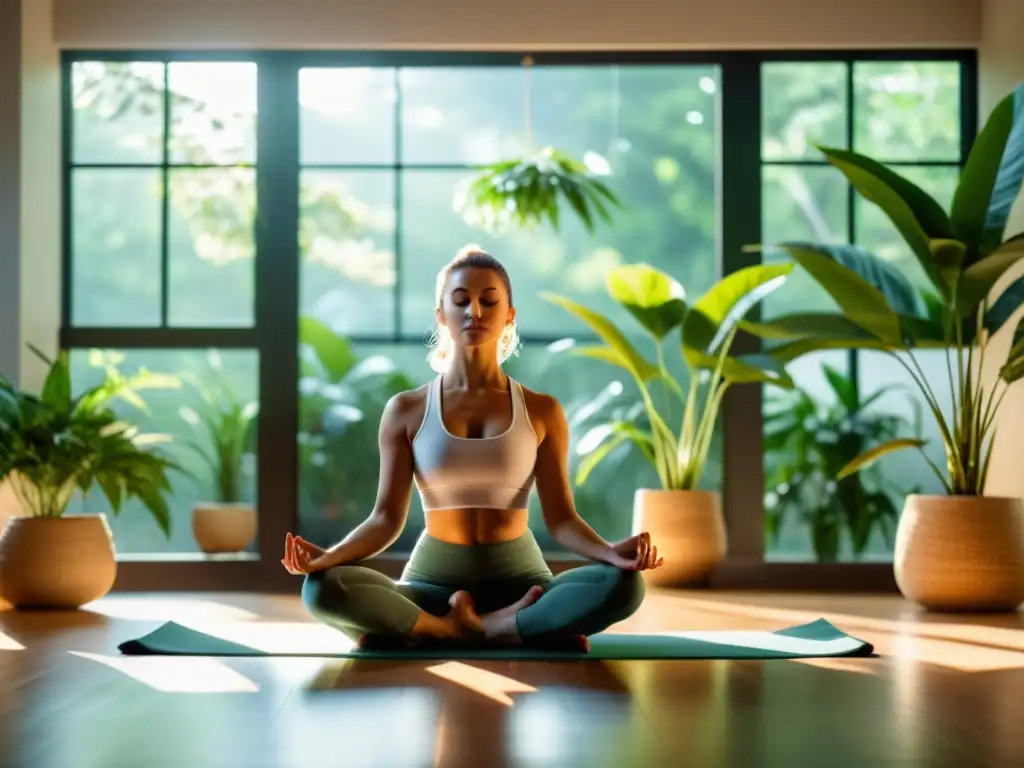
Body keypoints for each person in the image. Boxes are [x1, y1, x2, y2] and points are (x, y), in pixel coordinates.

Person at [282, 245, 664, 651]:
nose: (475, 312)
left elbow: (562, 520)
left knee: (623, 586)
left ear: (509, 314)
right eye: (461, 301)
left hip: (524, 587)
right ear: (441, 315)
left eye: (489, 301)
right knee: (321, 588)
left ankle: (450, 629)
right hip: (431, 586)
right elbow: (385, 520)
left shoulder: (541, 410)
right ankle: (496, 628)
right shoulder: (407, 410)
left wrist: (610, 553)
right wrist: (330, 557)